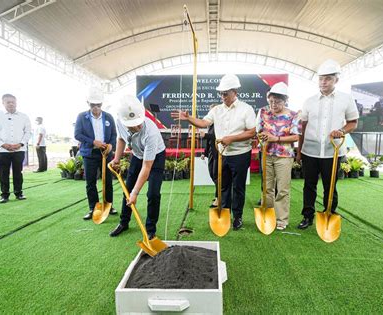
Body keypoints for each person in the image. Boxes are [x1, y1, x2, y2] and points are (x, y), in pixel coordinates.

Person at [171, 74, 256, 230]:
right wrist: (189, 118)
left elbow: (252, 132)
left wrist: (232, 138)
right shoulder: (216, 110)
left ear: (235, 92)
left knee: (238, 187)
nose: (222, 96)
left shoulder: (246, 109)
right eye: (221, 93)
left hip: (241, 155)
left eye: (225, 93)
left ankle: (238, 217)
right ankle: (224, 213)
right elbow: (203, 123)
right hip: (222, 154)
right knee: (223, 186)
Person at [296, 59, 359, 229]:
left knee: (330, 185)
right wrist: (299, 151)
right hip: (310, 151)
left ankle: (329, 213)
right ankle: (307, 217)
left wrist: (342, 131)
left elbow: (353, 122)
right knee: (308, 185)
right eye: (321, 78)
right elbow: (303, 127)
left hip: (333, 152)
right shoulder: (309, 101)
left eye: (328, 79)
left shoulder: (346, 99)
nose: (323, 82)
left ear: (336, 80)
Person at [109, 95, 166, 239]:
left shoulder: (151, 132)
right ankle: (124, 222)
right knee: (127, 190)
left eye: (139, 122)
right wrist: (116, 159)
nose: (138, 126)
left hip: (156, 158)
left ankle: (150, 230)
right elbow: (121, 138)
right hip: (137, 155)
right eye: (133, 124)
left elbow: (146, 167)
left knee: (153, 194)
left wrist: (135, 193)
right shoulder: (120, 122)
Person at [256, 82, 301, 230]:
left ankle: (281, 220)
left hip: (284, 156)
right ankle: (268, 215)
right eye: (271, 101)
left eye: (278, 101)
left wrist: (276, 139)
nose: (273, 104)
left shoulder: (293, 115)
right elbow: (259, 131)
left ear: (285, 100)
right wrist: (262, 136)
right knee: (267, 187)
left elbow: (295, 137)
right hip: (266, 154)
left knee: (282, 188)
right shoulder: (263, 112)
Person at [74, 86, 117, 220]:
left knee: (108, 181)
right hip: (90, 154)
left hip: (106, 154)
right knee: (91, 182)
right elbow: (77, 134)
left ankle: (108, 205)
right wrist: (93, 142)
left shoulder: (109, 116)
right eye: (93, 105)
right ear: (88, 104)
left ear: (101, 104)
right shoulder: (82, 117)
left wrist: (111, 145)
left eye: (98, 105)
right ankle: (93, 207)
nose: (96, 108)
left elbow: (114, 135)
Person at [0, 94, 31, 203]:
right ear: (3, 103)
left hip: (19, 150)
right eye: (8, 102)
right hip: (2, 150)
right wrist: (2, 144)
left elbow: (28, 132)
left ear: (16, 102)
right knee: (3, 172)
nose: (11, 104)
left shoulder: (24, 116)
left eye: (13, 101)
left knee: (18, 172)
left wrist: (20, 144)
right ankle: (4, 195)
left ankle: (19, 193)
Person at [200, 104, 218, 208]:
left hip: (218, 153)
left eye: (212, 112)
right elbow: (209, 141)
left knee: (217, 176)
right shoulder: (210, 125)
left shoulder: (219, 124)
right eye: (209, 112)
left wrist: (205, 135)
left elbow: (218, 137)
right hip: (211, 153)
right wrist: (204, 153)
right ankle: (219, 195)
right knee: (212, 174)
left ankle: (218, 198)